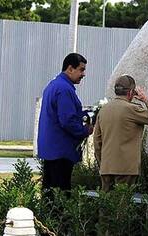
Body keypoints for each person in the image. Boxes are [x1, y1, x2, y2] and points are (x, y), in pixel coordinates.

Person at [94, 74, 148, 192]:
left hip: (106, 167)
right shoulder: (132, 109)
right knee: (122, 206)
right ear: (131, 92)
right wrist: (145, 100)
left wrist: (102, 163)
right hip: (125, 169)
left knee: (106, 205)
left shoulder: (104, 110)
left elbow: (97, 141)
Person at [38, 53, 94, 195]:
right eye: (81, 70)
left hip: (51, 149)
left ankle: (48, 217)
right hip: (61, 150)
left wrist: (85, 115)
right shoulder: (64, 89)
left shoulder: (54, 85)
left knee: (49, 193)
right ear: (70, 69)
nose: (83, 74)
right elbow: (67, 120)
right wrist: (85, 130)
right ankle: (58, 218)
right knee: (60, 195)